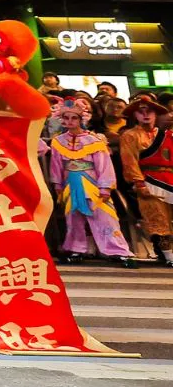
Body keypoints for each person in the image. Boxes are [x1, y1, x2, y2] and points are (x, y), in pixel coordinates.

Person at [49, 92, 136, 267]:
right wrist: (57, 184)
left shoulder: (94, 140)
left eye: (74, 117)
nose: (70, 121)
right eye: (66, 118)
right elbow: (56, 165)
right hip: (70, 184)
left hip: (92, 183)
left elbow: (104, 165)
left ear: (82, 118)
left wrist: (105, 187)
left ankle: (118, 251)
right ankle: (76, 248)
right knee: (73, 219)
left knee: (104, 217)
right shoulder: (58, 141)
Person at [118, 93, 173, 267]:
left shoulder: (167, 135)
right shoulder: (130, 135)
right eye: (141, 112)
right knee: (158, 219)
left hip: (170, 179)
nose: (146, 115)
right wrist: (138, 182)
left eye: (149, 111)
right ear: (135, 115)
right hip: (149, 180)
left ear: (156, 114)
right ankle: (169, 255)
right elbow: (129, 161)